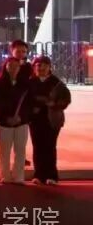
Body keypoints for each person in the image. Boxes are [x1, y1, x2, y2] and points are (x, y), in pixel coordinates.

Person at [29, 56, 71, 185]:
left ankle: (51, 175)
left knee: (50, 146)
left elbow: (66, 99)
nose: (40, 68)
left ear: (49, 67)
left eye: (44, 65)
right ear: (34, 68)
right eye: (38, 65)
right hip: (35, 120)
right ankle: (38, 175)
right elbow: (26, 100)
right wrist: (33, 107)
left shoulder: (56, 83)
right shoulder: (31, 82)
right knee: (37, 147)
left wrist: (54, 104)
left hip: (52, 120)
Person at [0, 57, 32, 184]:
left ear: (20, 68)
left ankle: (19, 176)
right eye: (10, 66)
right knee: (4, 150)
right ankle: (4, 175)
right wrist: (7, 117)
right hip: (4, 122)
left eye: (16, 66)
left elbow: (29, 103)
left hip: (21, 122)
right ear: (5, 67)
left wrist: (21, 117)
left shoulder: (26, 84)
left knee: (20, 150)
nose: (13, 69)